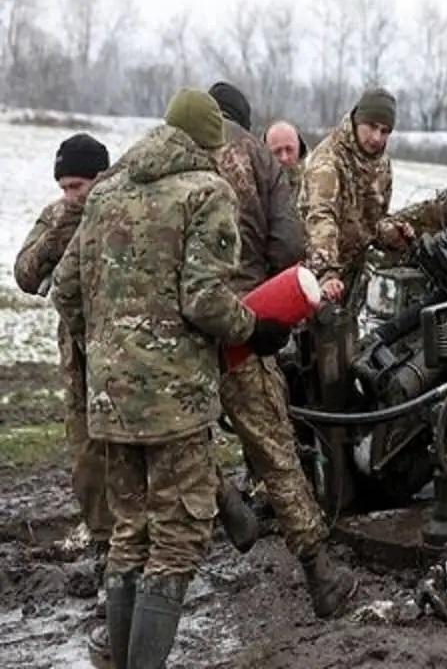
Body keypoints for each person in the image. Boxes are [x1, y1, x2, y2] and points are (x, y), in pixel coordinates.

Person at [52, 88, 295, 668]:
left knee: (130, 533)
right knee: (179, 539)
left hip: (110, 401)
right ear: (209, 143)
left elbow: (63, 288)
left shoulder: (106, 192)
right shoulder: (206, 193)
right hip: (175, 401)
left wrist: (109, 345)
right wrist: (254, 329)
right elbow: (206, 300)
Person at [206, 80, 358, 620]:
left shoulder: (178, 148)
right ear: (245, 122)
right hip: (245, 322)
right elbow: (290, 246)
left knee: (176, 437)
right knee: (275, 449)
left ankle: (223, 497)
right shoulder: (254, 155)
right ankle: (321, 574)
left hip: (182, 329)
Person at [13, 133, 114, 574]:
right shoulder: (56, 217)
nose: (71, 196)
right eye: (64, 187)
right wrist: (62, 229)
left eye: (78, 186)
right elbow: (24, 272)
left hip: (122, 351)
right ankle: (103, 542)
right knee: (87, 455)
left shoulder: (122, 211)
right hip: (77, 357)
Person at [298, 87, 415, 304]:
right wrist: (327, 272)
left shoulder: (381, 164)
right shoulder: (328, 160)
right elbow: (320, 217)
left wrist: (390, 231)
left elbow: (372, 219)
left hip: (353, 276)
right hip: (314, 272)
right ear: (357, 120)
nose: (377, 137)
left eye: (385, 131)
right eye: (371, 127)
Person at [264, 119, 307, 203]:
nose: (284, 158)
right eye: (277, 151)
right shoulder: (257, 189)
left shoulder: (314, 185)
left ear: (300, 150)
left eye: (289, 149)